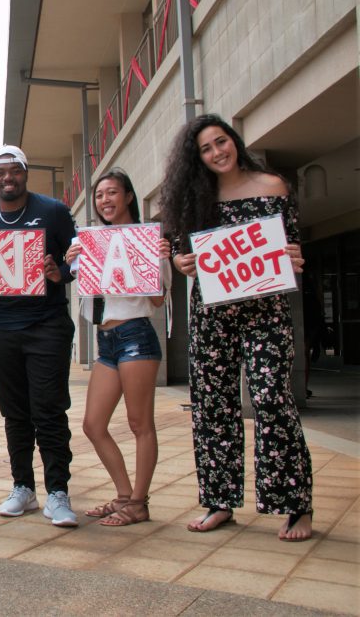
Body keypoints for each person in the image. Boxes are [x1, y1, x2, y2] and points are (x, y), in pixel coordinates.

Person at [159, 113, 312, 541]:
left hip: (267, 312)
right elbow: (174, 244)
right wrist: (178, 261)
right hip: (211, 313)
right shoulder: (195, 199)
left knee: (271, 398)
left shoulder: (273, 186)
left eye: (221, 142)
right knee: (212, 405)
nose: (216, 153)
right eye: (205, 149)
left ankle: (296, 504)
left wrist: (295, 258)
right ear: (198, 158)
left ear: (235, 141)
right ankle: (219, 500)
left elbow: (293, 245)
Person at [0, 144, 79, 527]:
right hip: (1, 325)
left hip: (47, 324)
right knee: (14, 414)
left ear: (25, 173)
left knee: (48, 410)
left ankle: (58, 492)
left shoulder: (53, 212)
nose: (7, 178)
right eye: (0, 173)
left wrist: (59, 273)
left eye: (14, 171)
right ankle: (22, 487)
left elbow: (79, 260)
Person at [64, 169, 170, 526]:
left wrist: (157, 259)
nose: (105, 200)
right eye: (99, 195)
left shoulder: (147, 240)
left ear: (128, 197)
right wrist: (73, 261)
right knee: (93, 425)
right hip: (105, 340)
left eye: (112, 193)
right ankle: (124, 494)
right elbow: (89, 295)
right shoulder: (89, 243)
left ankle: (138, 502)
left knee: (140, 423)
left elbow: (157, 300)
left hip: (136, 335)